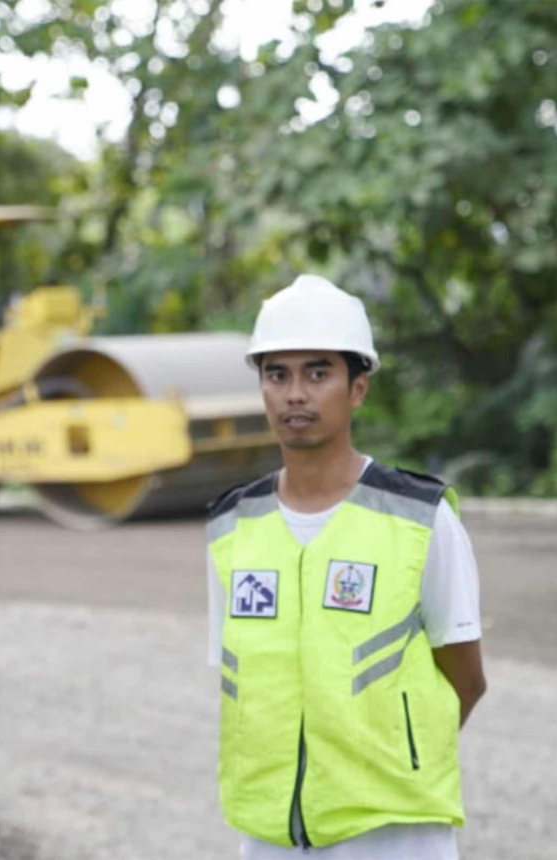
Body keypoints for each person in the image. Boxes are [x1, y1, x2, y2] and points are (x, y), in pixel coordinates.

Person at [206, 275, 487, 860]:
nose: (294, 394)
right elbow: (242, 681)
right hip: (271, 833)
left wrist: (390, 762)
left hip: (394, 833)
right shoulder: (234, 525)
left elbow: (466, 677)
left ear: (357, 388)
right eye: (276, 374)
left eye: (317, 372)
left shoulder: (419, 518)